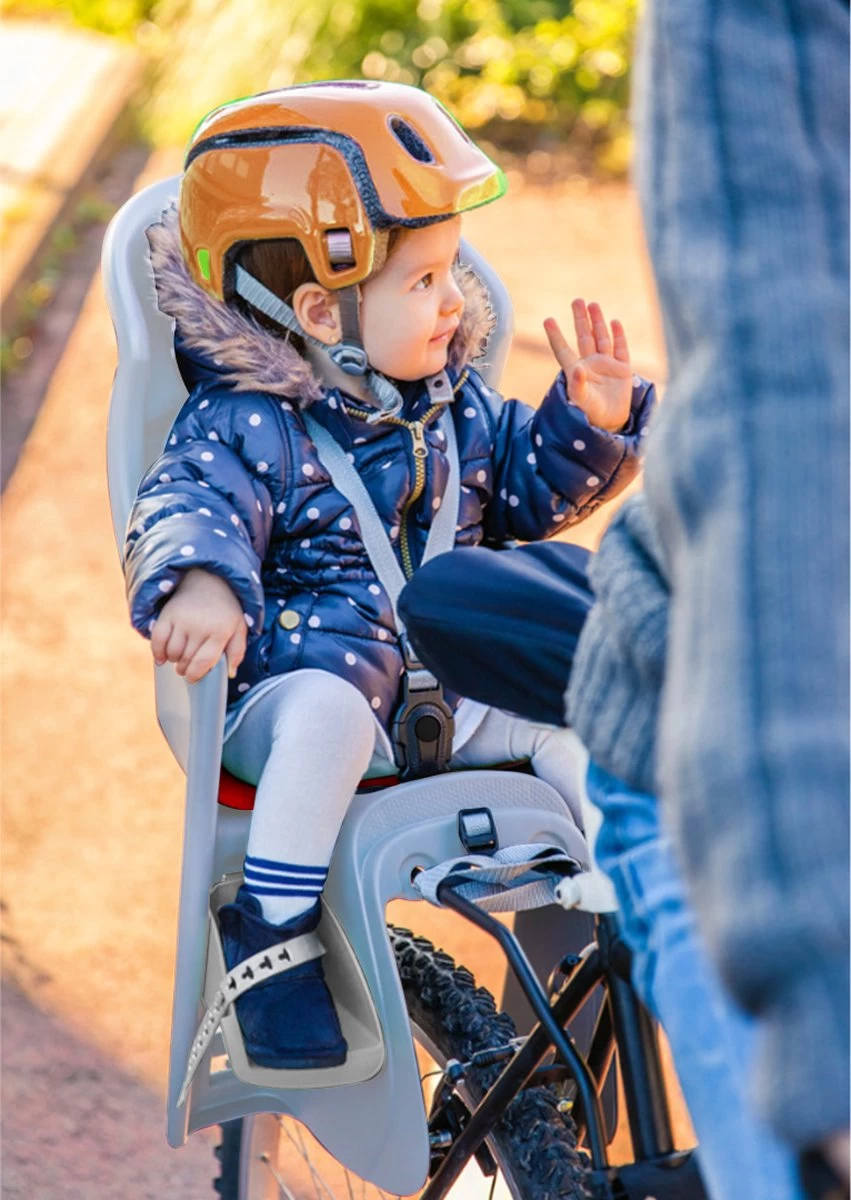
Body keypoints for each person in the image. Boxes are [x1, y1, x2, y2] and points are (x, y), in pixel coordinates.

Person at [122, 81, 656, 1070]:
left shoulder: (448, 409)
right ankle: (271, 937)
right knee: (324, 714)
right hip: (300, 696)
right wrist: (199, 583)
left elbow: (526, 496)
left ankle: (633, 887)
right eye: (423, 283)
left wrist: (587, 421)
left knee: (577, 712)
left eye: (453, 272)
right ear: (319, 309)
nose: (455, 301)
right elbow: (186, 501)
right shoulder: (247, 424)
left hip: (447, 692)